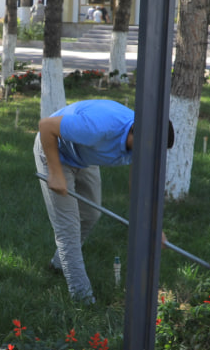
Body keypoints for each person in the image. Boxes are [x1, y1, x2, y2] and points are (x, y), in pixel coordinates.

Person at [35, 99, 172, 303]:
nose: (150, 155)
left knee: (91, 215)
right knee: (68, 228)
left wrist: (153, 227)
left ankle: (58, 264)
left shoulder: (143, 144)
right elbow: (46, 126)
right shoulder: (97, 127)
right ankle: (83, 298)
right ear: (137, 135)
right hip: (56, 151)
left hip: (84, 155)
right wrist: (55, 173)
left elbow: (139, 187)